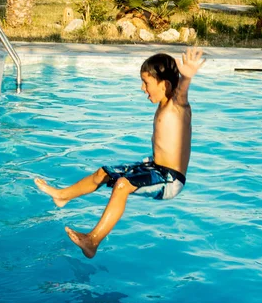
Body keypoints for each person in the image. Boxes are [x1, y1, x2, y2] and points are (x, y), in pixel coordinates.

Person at [35, 47, 206, 258]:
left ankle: (93, 241)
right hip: (155, 167)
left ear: (165, 85)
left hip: (170, 179)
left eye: (147, 83)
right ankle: (62, 196)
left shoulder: (178, 106)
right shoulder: (163, 104)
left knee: (122, 185)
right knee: (102, 173)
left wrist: (186, 77)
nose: (143, 88)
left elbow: (181, 93)